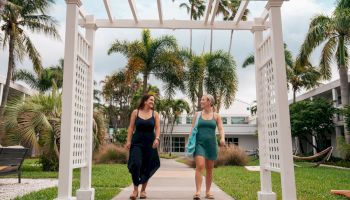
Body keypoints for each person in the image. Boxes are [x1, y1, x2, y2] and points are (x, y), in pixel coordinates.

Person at [126, 94, 161, 199]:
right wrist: (128, 141)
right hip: (137, 143)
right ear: (145, 101)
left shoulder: (155, 114)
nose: (152, 102)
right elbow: (131, 127)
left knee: (147, 166)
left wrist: (157, 138)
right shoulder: (135, 112)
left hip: (150, 144)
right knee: (136, 164)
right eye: (151, 100)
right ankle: (135, 190)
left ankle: (143, 191)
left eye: (153, 100)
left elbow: (158, 128)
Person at [191, 94, 225, 200]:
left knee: (209, 168)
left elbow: (220, 128)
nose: (201, 101)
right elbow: (192, 129)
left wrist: (222, 138)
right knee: (200, 165)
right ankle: (197, 191)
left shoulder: (216, 116)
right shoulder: (197, 114)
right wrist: (190, 142)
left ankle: (208, 191)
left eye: (203, 100)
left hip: (211, 144)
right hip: (199, 143)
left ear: (209, 102)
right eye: (201, 100)